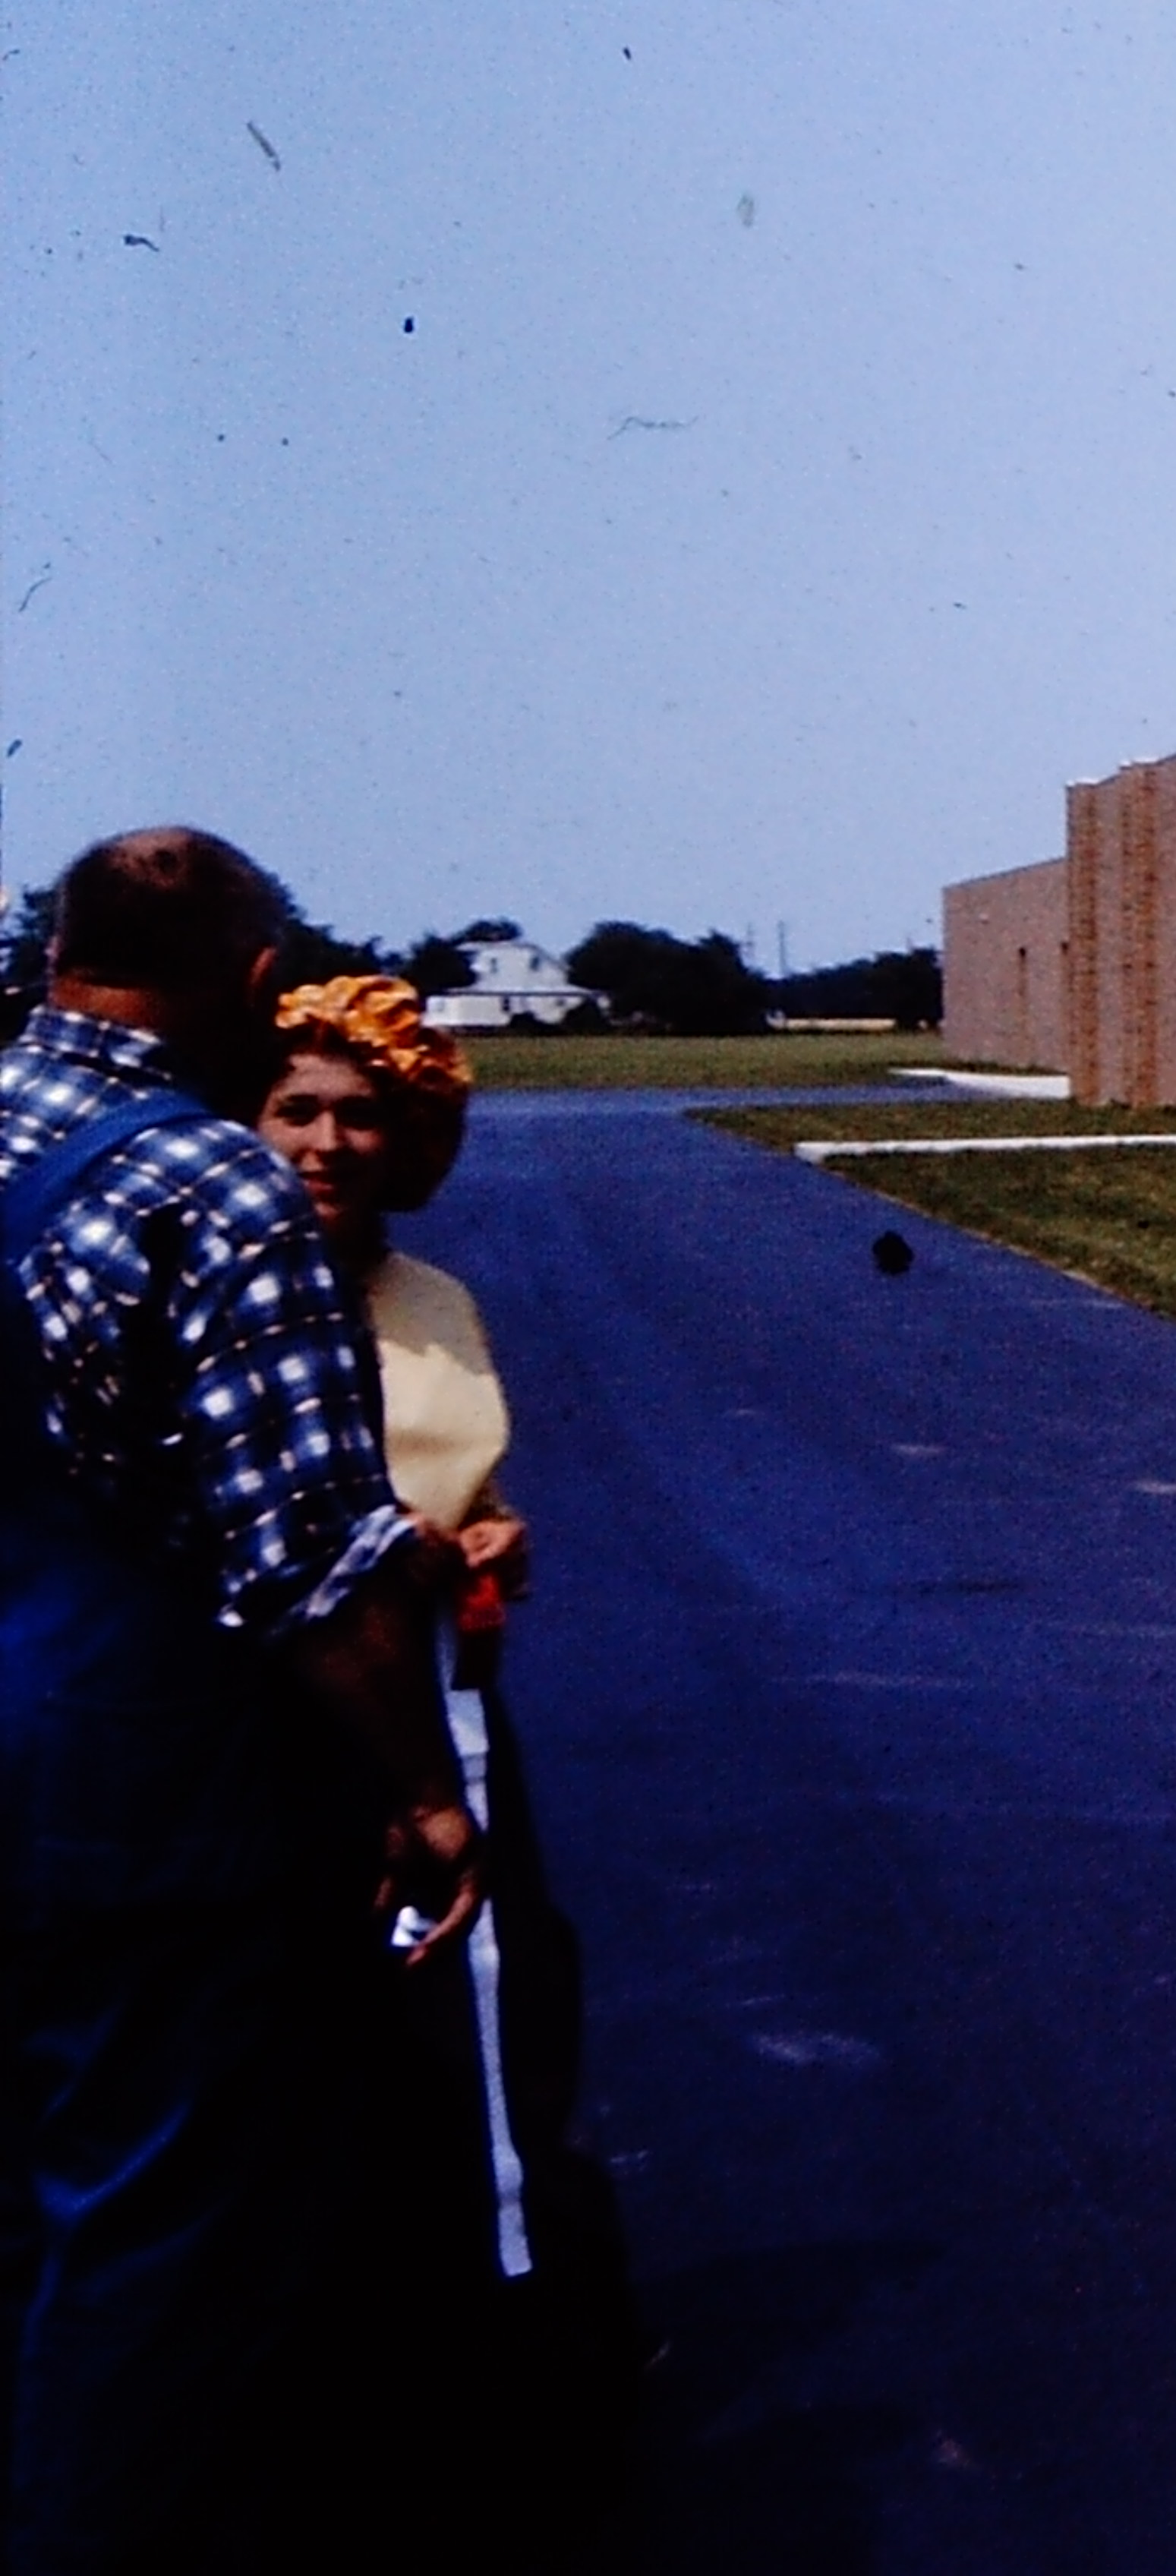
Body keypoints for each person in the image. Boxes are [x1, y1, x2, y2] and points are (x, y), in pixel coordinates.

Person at [2, 830, 482, 2566]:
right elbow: (307, 1566)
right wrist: (426, 1800)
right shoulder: (216, 1194)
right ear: (253, 982)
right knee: (150, 2252)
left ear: (60, 957)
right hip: (134, 1799)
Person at [257, 976, 648, 2500]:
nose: (330, 1142)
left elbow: (465, 1483)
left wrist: (488, 1539)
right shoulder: (225, 1298)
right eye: (295, 1109)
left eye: (365, 1115)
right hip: (289, 1732)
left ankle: (510, 2343)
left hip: (452, 1712)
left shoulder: (437, 1304)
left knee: (511, 2002)